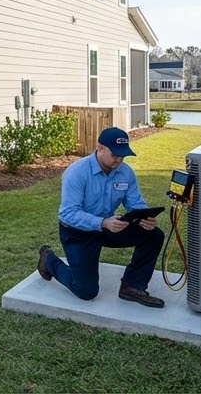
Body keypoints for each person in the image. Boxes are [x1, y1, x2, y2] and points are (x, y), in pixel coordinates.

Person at [36, 126, 166, 308]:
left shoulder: (126, 172)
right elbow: (67, 213)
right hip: (77, 232)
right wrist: (102, 222)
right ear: (100, 148)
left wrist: (145, 216)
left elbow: (135, 202)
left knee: (154, 235)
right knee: (86, 291)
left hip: (109, 226)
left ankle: (132, 286)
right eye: (115, 154)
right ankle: (49, 260)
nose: (119, 159)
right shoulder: (76, 173)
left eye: (123, 154)